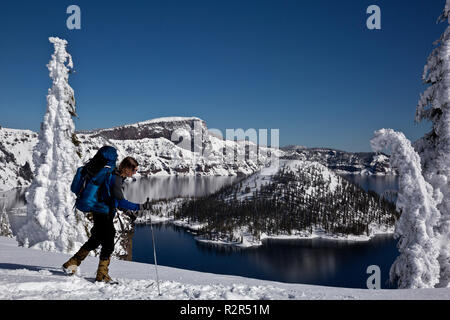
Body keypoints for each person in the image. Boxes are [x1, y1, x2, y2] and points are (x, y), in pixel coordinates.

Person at [63, 152, 150, 283]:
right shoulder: (115, 179)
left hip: (100, 211)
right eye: (134, 169)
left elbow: (112, 199)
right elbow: (120, 200)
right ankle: (102, 275)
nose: (135, 173)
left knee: (96, 239)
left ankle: (71, 264)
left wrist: (127, 211)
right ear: (127, 168)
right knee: (108, 243)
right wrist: (139, 207)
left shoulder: (114, 176)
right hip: (103, 213)